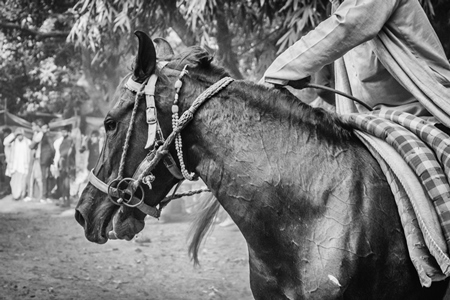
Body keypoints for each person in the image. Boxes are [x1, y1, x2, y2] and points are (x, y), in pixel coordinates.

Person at [260, 0, 450, 124]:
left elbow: (345, 26)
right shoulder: (340, 6)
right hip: (373, 119)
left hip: (424, 111)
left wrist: (276, 74)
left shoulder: (360, 9)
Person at [4, 128, 31, 200]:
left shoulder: (27, 142)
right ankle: (16, 196)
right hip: (15, 166)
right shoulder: (13, 142)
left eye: (20, 134)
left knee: (23, 182)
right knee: (14, 182)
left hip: (23, 166)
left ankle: (21, 195)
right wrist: (13, 134)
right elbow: (5, 142)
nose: (19, 136)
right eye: (18, 135)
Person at [54, 125, 76, 208]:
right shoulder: (64, 140)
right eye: (62, 131)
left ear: (68, 132)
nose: (63, 133)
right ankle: (64, 200)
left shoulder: (69, 140)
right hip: (63, 163)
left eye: (64, 131)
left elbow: (67, 153)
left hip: (66, 164)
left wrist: (66, 165)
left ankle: (66, 201)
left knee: (65, 183)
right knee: (63, 183)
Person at [38, 123, 55, 203]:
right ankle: (47, 195)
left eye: (45, 128)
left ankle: (44, 196)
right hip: (45, 159)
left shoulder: (47, 135)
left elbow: (52, 148)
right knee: (46, 177)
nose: (43, 129)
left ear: (48, 129)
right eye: (43, 128)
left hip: (45, 160)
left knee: (44, 178)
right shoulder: (45, 135)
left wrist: (51, 157)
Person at [1, 127, 14, 197]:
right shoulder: (9, 139)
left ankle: (8, 190)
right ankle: (8, 190)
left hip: (12, 161)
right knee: (7, 175)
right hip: (8, 160)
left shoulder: (10, 139)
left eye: (4, 133)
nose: (3, 135)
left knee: (9, 175)